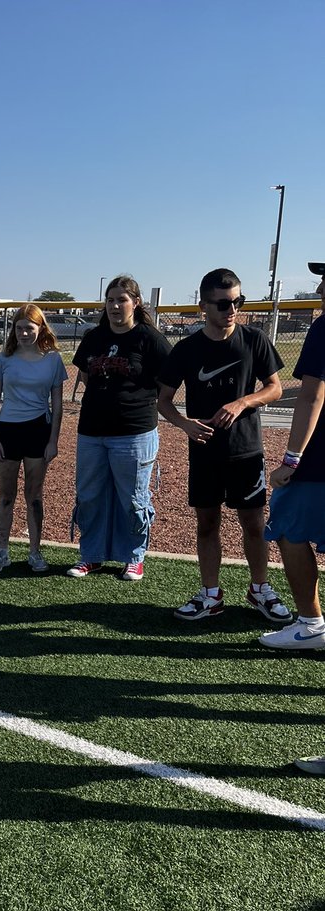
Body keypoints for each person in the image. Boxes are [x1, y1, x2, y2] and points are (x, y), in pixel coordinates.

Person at [157, 267, 290, 623]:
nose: (231, 309)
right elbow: (164, 400)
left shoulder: (254, 339)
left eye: (237, 301)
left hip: (246, 449)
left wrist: (243, 402)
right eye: (223, 303)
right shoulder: (187, 349)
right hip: (205, 452)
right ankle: (211, 594)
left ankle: (259, 588)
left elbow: (275, 388)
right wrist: (185, 424)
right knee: (207, 522)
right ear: (203, 306)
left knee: (253, 522)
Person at [259, 261, 325, 775]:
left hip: (319, 465)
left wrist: (291, 459)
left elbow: (314, 393)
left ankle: (310, 622)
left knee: (284, 525)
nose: (321, 285)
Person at [67, 276, 171, 581]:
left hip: (134, 431)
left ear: (135, 303)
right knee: (90, 495)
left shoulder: (149, 339)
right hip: (92, 431)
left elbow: (169, 379)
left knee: (133, 497)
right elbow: (86, 376)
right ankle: (92, 555)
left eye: (122, 300)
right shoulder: (93, 337)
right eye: (110, 300)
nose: (115, 305)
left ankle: (134, 557)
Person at [0, 304, 68, 574]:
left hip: (38, 432)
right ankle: (2, 552)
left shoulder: (53, 359)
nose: (23, 333)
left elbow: (58, 405)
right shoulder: (4, 358)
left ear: (40, 328)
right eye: (19, 328)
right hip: (8, 432)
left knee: (34, 496)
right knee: (6, 495)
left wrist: (53, 441)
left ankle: (34, 552)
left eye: (29, 328)